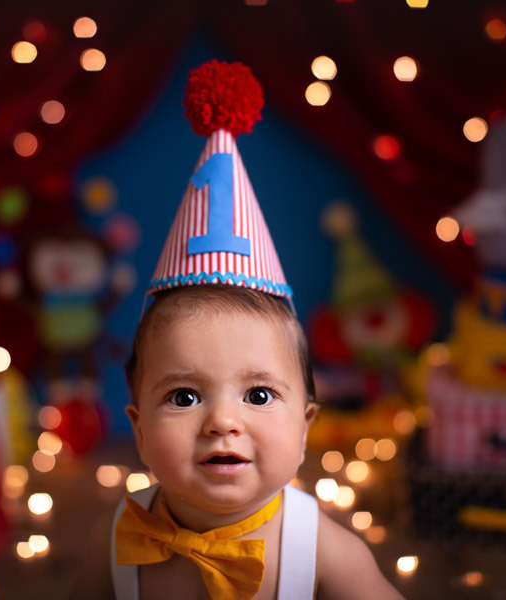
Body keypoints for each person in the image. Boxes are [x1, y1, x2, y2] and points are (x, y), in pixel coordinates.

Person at [109, 60, 404, 600]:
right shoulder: (117, 546)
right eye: (184, 395)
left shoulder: (322, 552)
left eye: (260, 394)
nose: (223, 420)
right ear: (139, 429)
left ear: (306, 425)